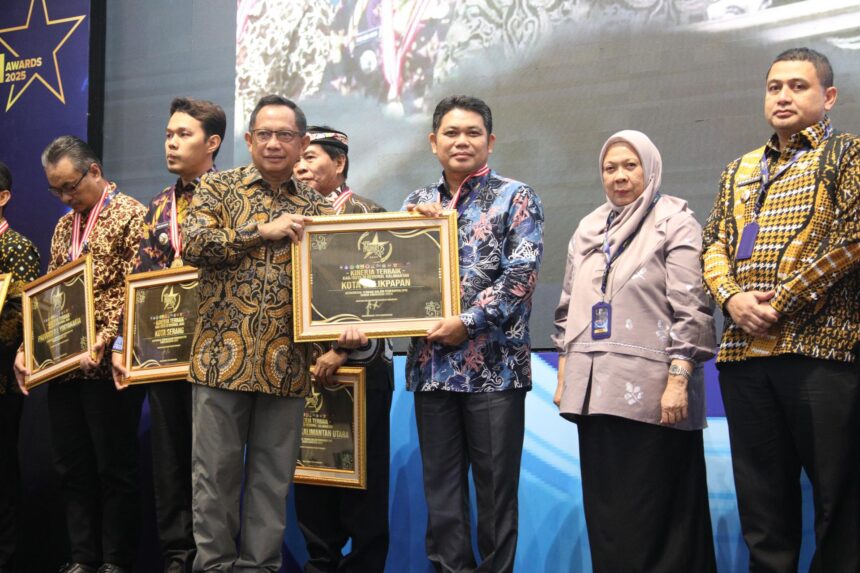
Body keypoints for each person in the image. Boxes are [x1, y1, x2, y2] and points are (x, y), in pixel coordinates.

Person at [702, 47, 860, 572]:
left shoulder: (847, 154)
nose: (784, 96)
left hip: (821, 354)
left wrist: (783, 300)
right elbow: (713, 244)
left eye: (798, 86)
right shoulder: (739, 169)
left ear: (828, 97)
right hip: (744, 356)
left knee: (840, 501)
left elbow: (853, 239)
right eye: (775, 87)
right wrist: (732, 298)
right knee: (763, 508)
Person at [552, 130, 717, 572]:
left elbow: (692, 307)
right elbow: (567, 309)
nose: (619, 176)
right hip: (594, 395)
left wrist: (678, 380)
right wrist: (565, 376)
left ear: (650, 168)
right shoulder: (589, 227)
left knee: (655, 514)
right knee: (611, 517)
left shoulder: (675, 221)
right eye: (610, 168)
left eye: (630, 165)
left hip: (656, 395)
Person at [181, 94, 333, 572]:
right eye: (264, 134)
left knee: (272, 482)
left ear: (302, 144)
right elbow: (194, 244)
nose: (273, 143)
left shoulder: (320, 207)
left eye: (285, 135)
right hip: (219, 361)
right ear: (248, 139)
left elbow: (339, 278)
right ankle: (214, 567)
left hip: (286, 364)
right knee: (214, 478)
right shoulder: (217, 187)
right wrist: (259, 231)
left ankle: (260, 568)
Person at [403, 95, 544, 573]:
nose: (461, 141)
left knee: (496, 495)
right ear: (433, 142)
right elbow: (397, 280)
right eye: (451, 133)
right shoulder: (415, 205)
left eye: (472, 133)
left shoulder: (516, 196)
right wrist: (405, 237)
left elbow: (521, 277)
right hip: (432, 370)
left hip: (495, 372)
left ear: (490, 141)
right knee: (441, 498)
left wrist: (467, 322)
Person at [14, 136, 147, 573]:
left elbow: (135, 292)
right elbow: (49, 299)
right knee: (72, 467)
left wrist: (108, 340)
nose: (65, 197)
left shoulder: (131, 215)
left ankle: (115, 561)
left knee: (114, 468)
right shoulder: (61, 227)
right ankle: (82, 558)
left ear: (94, 171)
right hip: (66, 368)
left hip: (109, 366)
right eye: (56, 190)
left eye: (70, 187)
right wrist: (27, 347)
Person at [111, 97, 226, 573]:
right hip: (164, 353)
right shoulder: (158, 205)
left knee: (212, 464)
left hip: (217, 354)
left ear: (212, 143)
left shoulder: (232, 196)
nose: (172, 143)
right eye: (168, 135)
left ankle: (213, 559)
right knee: (168, 463)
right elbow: (139, 278)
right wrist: (123, 344)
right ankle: (177, 559)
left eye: (183, 134)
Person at [293, 126, 394, 573]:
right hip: (303, 372)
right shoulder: (288, 218)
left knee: (363, 485)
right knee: (312, 481)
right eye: (297, 158)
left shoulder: (368, 213)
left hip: (362, 371)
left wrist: (340, 349)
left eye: (310, 157)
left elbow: (387, 292)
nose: (300, 166)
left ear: (339, 163)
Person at [0, 161, 40, 573]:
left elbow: (23, 318)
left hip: (3, 382)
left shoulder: (18, 248)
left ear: (3, 197)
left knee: (2, 473)